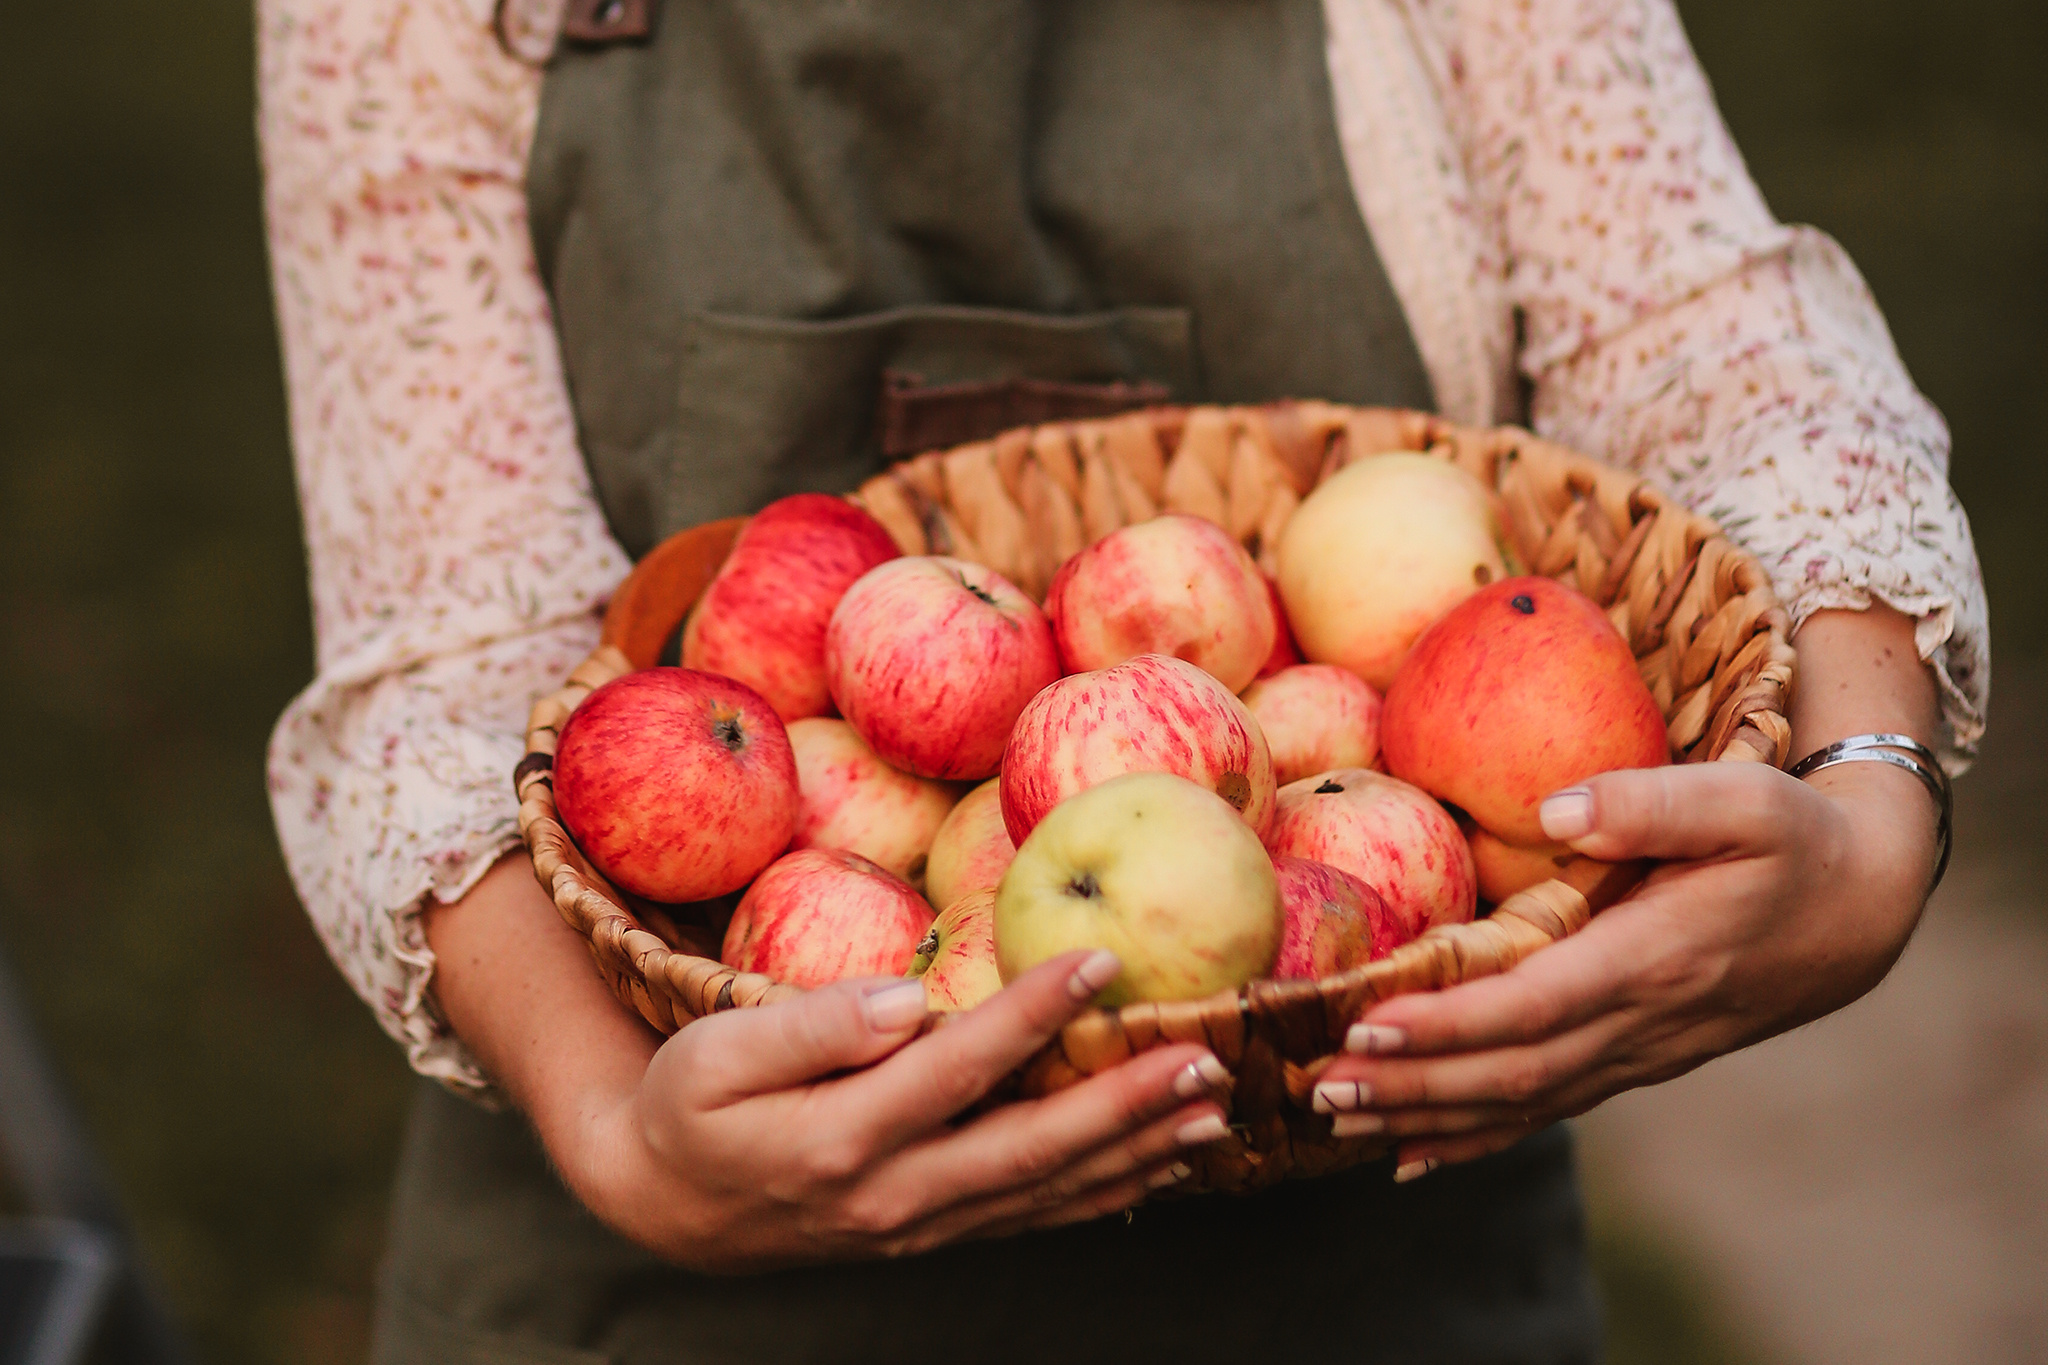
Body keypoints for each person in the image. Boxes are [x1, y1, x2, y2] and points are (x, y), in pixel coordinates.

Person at [260, 0, 1988, 1360]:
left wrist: (1871, 802)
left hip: (1371, 1243)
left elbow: (1706, 333)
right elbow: (451, 645)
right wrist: (614, 1126)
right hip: (666, 1290)